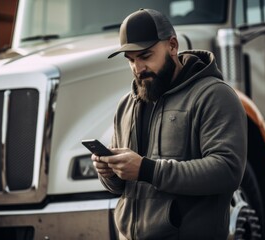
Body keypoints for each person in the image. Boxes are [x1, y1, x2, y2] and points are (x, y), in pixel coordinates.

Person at [92, 8, 247, 239]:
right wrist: (109, 173)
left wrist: (147, 169)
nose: (138, 68)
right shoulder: (126, 105)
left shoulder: (214, 95)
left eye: (145, 56)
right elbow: (122, 188)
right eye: (131, 60)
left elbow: (227, 171)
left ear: (172, 46)